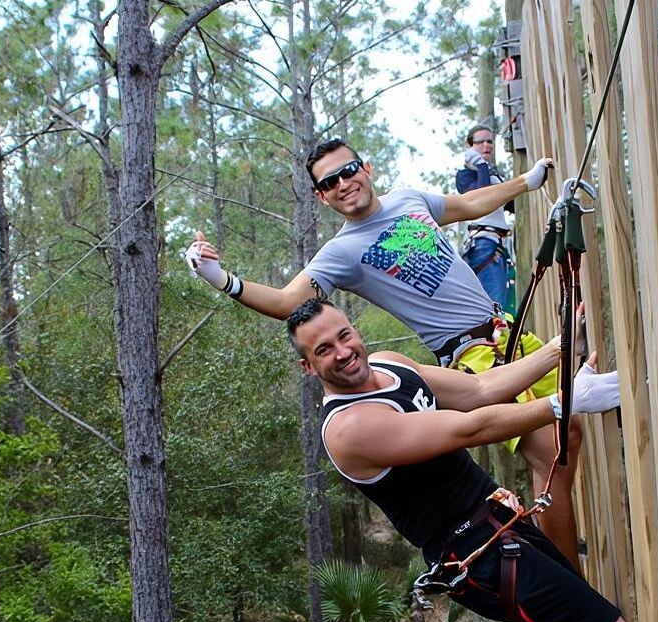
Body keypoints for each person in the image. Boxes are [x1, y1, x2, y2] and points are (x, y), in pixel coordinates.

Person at [285, 298, 640, 622]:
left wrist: (564, 349)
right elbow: (465, 429)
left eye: (344, 335)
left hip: (499, 526)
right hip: (478, 558)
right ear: (308, 366)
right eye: (324, 350)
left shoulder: (392, 366)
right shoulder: (348, 429)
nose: (343, 352)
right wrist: (562, 403)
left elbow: (477, 391)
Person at [186, 138, 588, 573]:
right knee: (551, 452)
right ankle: (573, 590)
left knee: (571, 436)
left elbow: (468, 204)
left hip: (506, 333)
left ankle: (560, 565)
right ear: (322, 196)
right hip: (473, 355)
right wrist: (222, 279)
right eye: (330, 182)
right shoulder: (341, 252)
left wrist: (524, 184)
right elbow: (287, 302)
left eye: (348, 170)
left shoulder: (409, 200)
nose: (344, 183)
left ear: (366, 168)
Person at [455, 124, 516, 315]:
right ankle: (497, 344)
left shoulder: (492, 172)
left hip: (498, 242)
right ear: (470, 145)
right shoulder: (465, 175)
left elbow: (509, 204)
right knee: (495, 308)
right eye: (480, 142)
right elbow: (481, 199)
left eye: (489, 141)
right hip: (483, 244)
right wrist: (481, 166)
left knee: (502, 306)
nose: (486, 146)